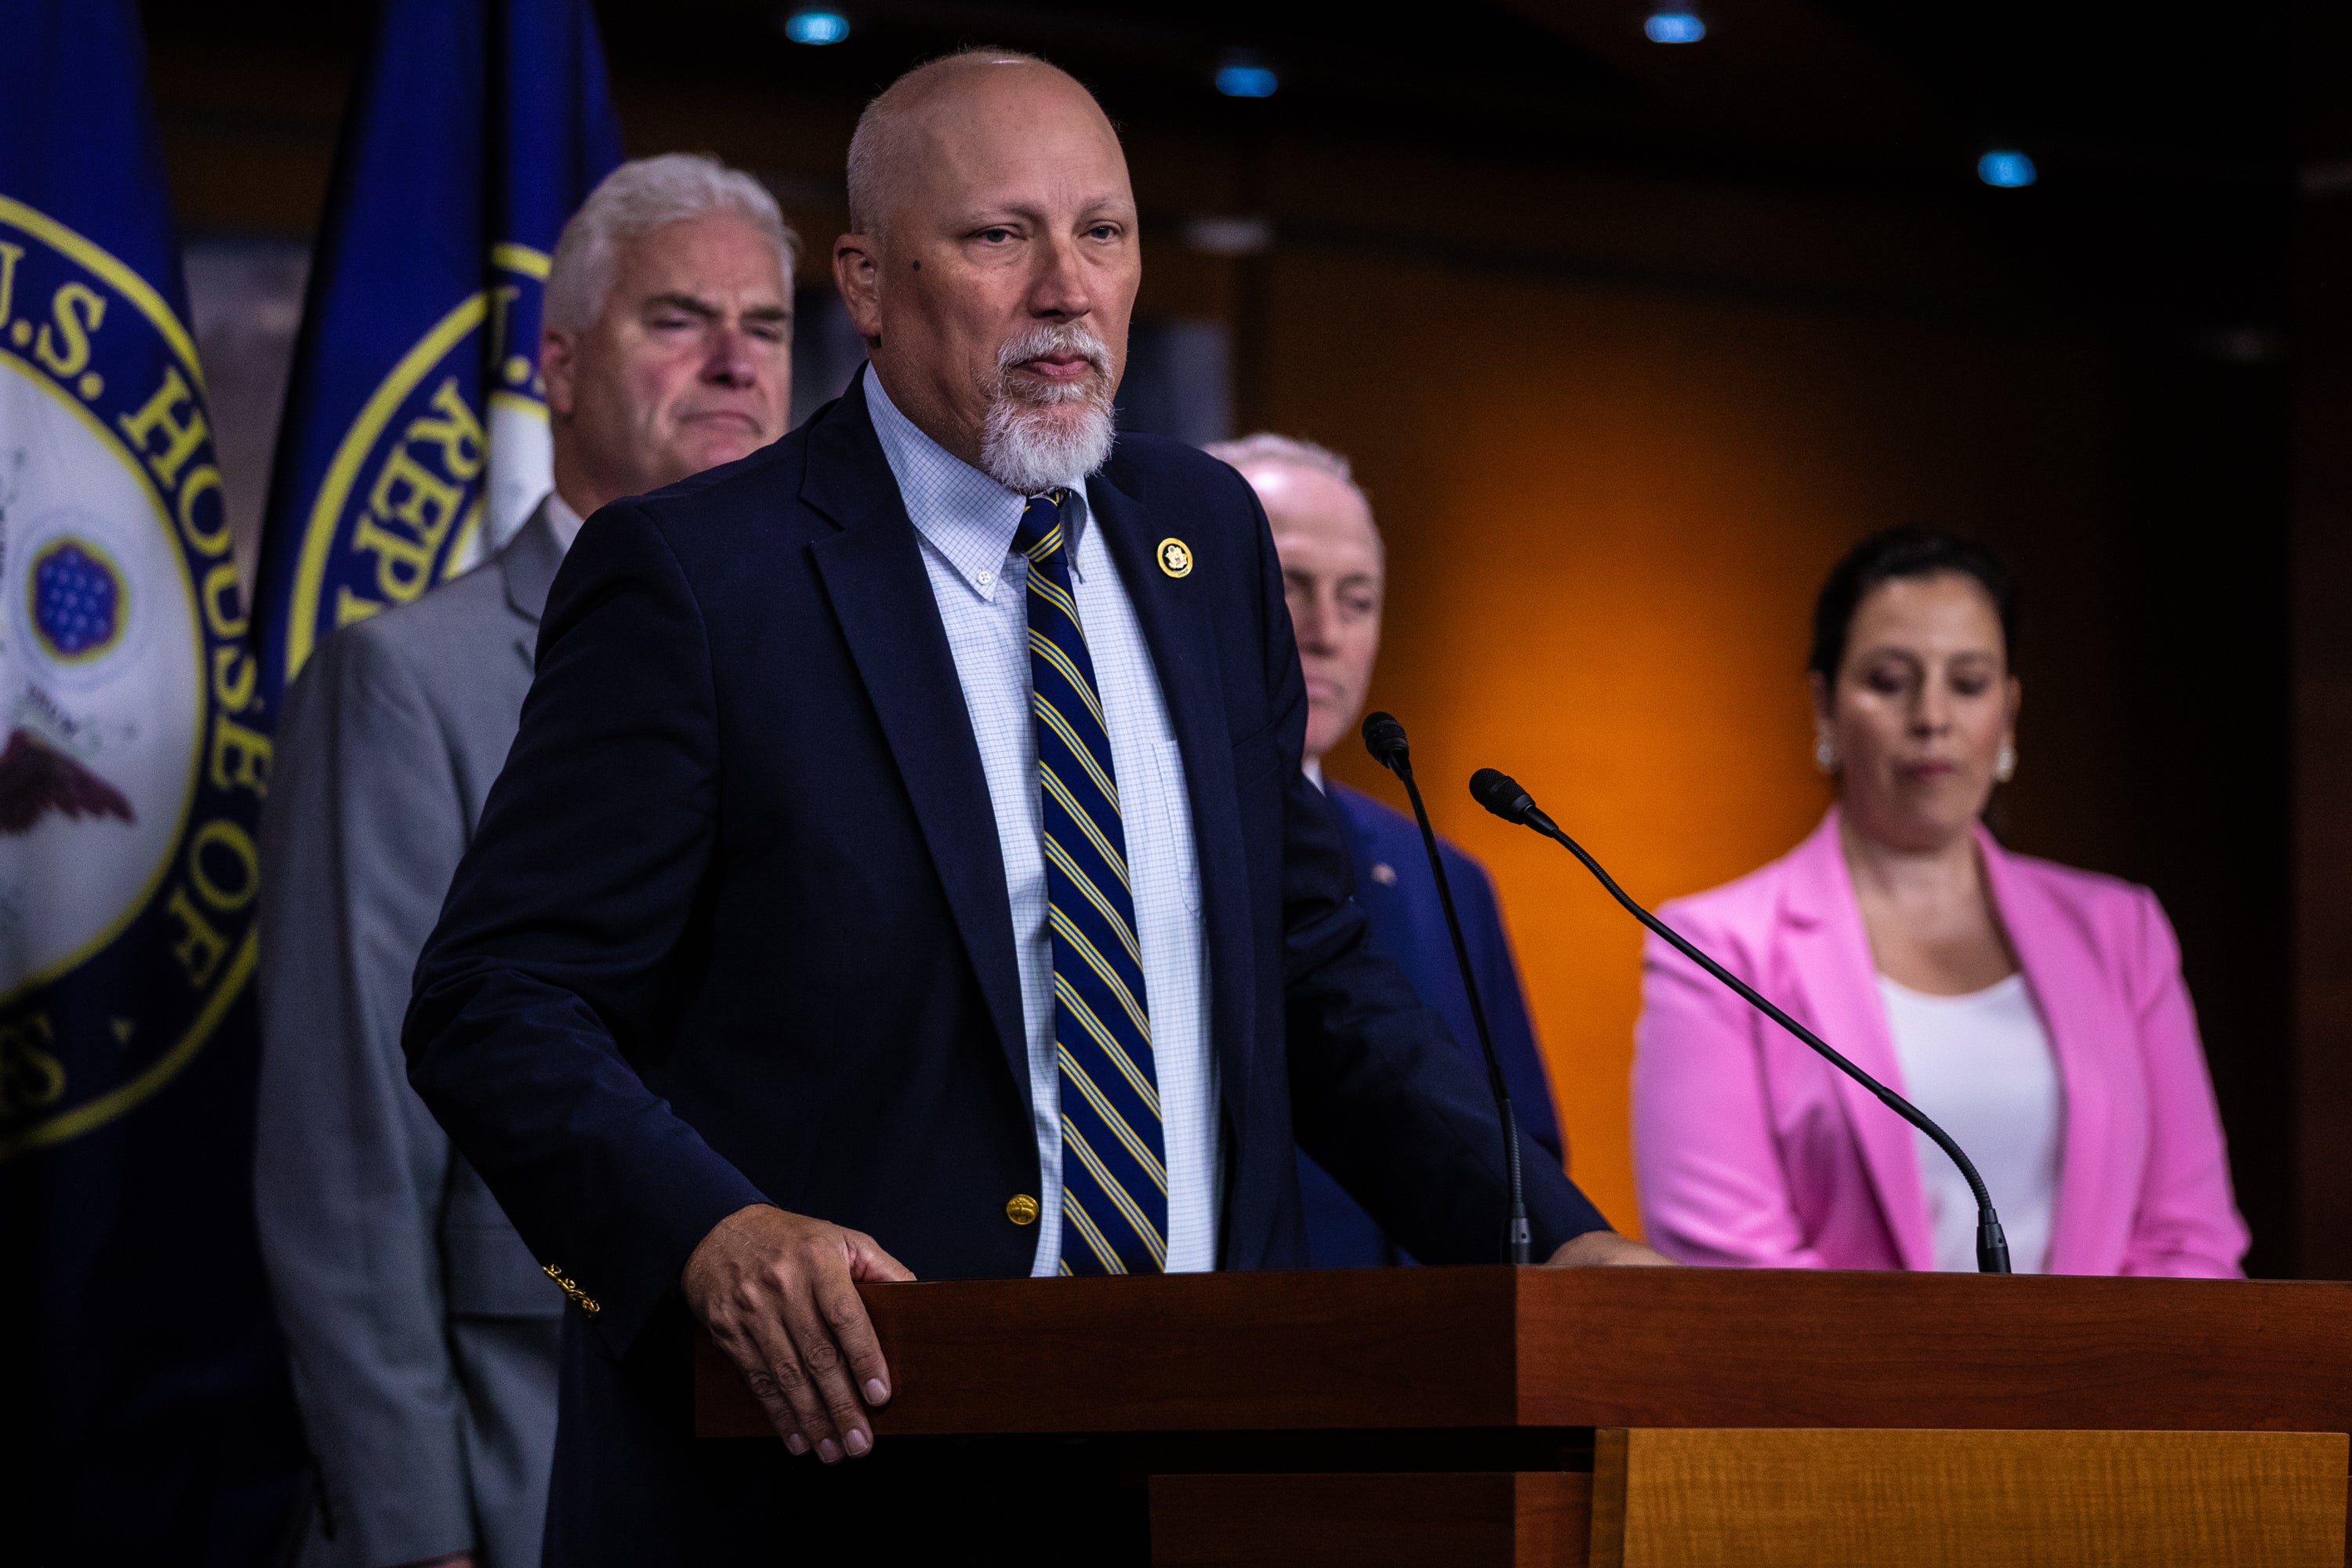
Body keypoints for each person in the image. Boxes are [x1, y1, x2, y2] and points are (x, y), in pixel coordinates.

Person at [401, 48, 1664, 1566]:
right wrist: (709, 1233)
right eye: (1003, 236)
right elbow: (497, 998)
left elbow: (1314, 976)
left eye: (1107, 233)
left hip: (1207, 1466)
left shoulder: (1203, 539)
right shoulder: (698, 578)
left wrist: (1555, 1234)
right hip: (836, 1477)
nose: (1068, 288)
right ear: (865, 282)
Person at [253, 154, 796, 1568]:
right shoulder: (404, 680)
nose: (736, 363)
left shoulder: (837, 674)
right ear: (557, 364)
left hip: (796, 1452)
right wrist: (409, 1526)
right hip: (516, 1459)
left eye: (771, 326)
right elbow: (345, 1153)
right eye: (679, 319)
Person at [1632, 527, 2249, 1277]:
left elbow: (2192, 1243)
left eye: (1968, 682)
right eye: (1890, 681)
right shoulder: (1714, 948)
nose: (1932, 716)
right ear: (1825, 707)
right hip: (1828, 1394)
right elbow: (1727, 1265)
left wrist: (2092, 1387)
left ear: (2009, 714)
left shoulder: (2123, 931)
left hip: (2108, 1391)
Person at [1207, 433, 1561, 1267]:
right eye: (1289, 587)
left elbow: (1523, 1150)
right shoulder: (1114, 844)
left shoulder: (1447, 878)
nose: (1327, 632)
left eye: (1358, 598)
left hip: (1425, 1370)